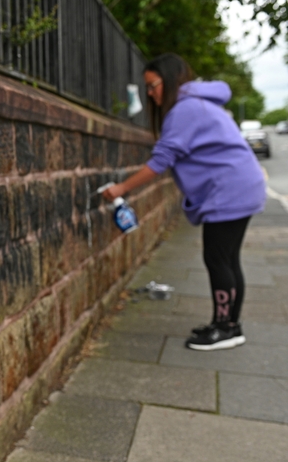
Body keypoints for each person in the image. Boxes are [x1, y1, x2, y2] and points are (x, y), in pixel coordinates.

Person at [102, 53, 266, 351]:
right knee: (227, 259)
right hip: (240, 185)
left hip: (229, 190)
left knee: (218, 259)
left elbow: (161, 160)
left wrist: (121, 189)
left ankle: (226, 328)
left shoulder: (184, 109)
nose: (150, 94)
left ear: (171, 79)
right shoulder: (197, 103)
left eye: (153, 86)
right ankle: (228, 324)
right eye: (147, 88)